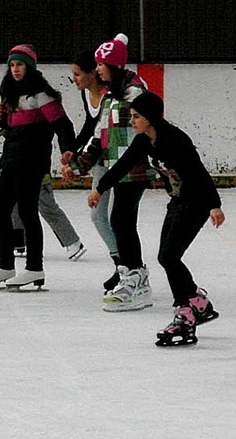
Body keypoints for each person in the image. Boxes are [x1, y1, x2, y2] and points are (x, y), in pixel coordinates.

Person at [87, 91, 225, 346]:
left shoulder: (176, 140)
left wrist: (214, 206)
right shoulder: (143, 141)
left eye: (137, 117)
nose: (132, 122)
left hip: (195, 203)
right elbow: (122, 165)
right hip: (177, 201)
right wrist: (100, 188)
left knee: (169, 257)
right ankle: (199, 302)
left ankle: (185, 313)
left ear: (150, 118)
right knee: (167, 256)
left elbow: (199, 173)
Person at [63, 33, 156, 311]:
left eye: (101, 65)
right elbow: (100, 136)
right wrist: (79, 165)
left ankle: (135, 278)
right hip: (117, 167)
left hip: (134, 167)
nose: (98, 69)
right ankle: (131, 274)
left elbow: (147, 130)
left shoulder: (134, 93)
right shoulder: (111, 96)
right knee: (119, 221)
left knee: (122, 221)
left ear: (113, 67)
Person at [0, 44, 76, 290]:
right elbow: (12, 128)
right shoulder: (11, 93)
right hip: (11, 159)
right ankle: (6, 266)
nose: (15, 69)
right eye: (12, 65)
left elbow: (63, 125)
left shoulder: (41, 95)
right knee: (0, 210)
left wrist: (68, 149)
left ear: (30, 67)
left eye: (20, 64)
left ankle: (34, 268)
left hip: (32, 161)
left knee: (27, 212)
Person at [68, 49, 120, 290]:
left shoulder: (111, 96)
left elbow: (104, 131)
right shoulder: (87, 96)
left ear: (92, 73)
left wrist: (80, 161)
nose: (75, 79)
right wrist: (73, 151)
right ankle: (122, 264)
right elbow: (91, 128)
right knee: (99, 215)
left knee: (114, 217)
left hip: (117, 160)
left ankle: (127, 266)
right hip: (100, 159)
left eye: (78, 74)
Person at [0, 158, 86, 261]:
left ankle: (73, 242)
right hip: (22, 179)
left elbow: (10, 157)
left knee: (48, 210)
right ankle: (19, 243)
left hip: (39, 180)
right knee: (16, 208)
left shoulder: (25, 143)